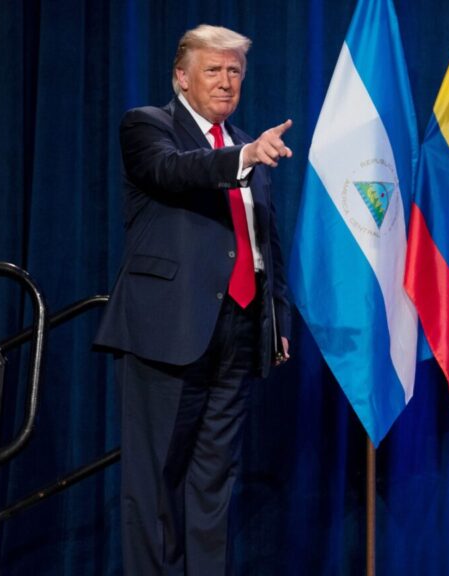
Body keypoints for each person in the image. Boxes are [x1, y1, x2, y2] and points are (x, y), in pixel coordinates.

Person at [94, 24, 293, 575]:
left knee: (214, 483)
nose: (226, 81)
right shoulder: (149, 127)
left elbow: (265, 241)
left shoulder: (248, 145)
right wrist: (243, 157)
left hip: (239, 331)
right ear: (182, 77)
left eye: (234, 71)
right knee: (155, 481)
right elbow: (171, 171)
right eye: (214, 70)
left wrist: (277, 318)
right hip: (168, 330)